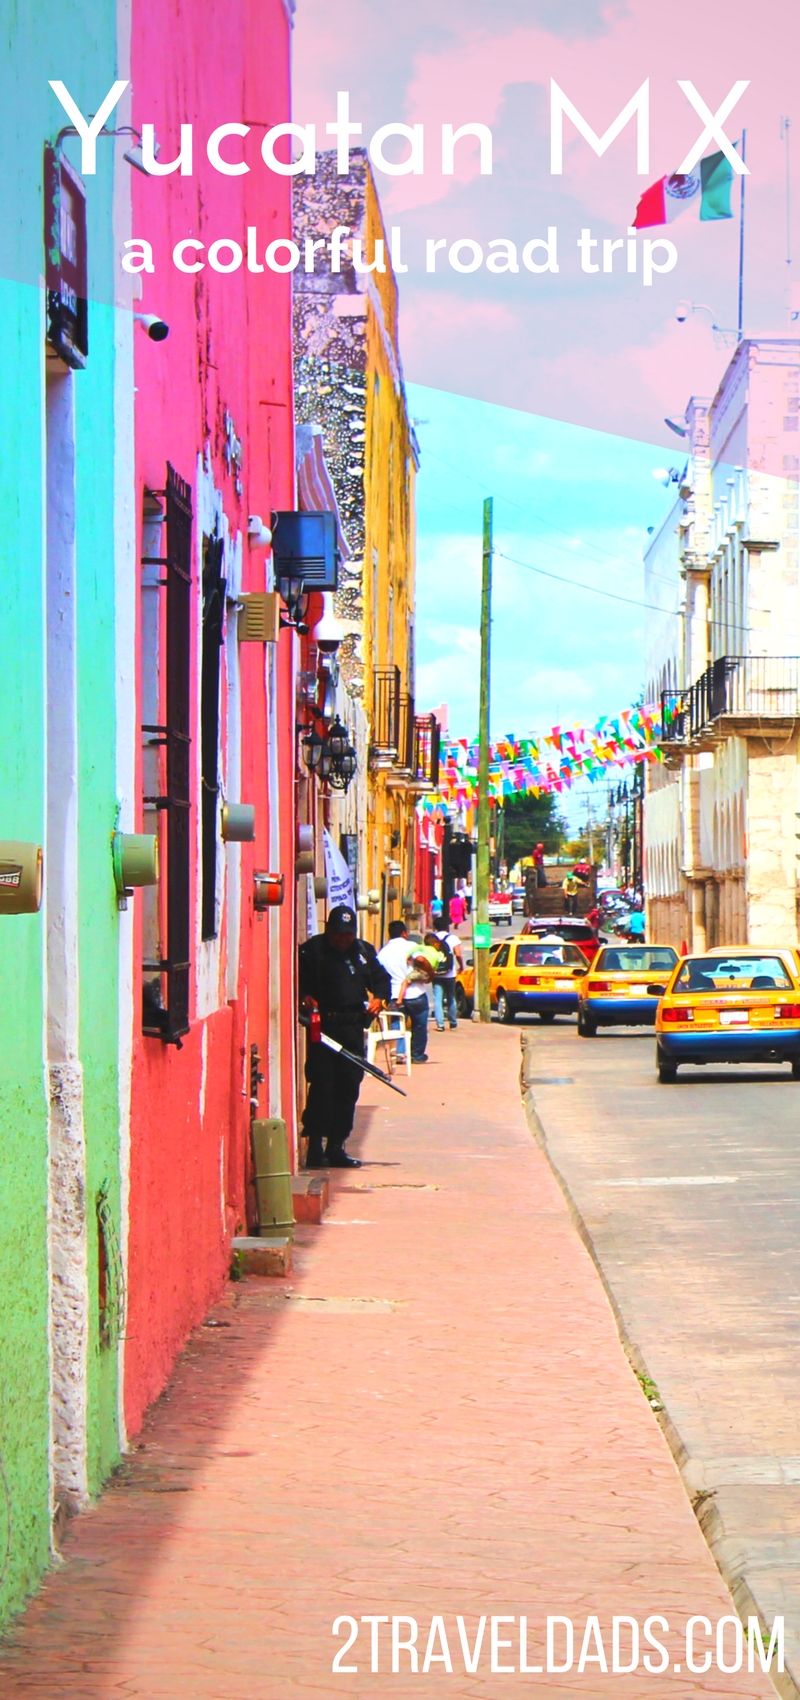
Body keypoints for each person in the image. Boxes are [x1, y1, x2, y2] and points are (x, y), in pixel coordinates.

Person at [298, 905, 390, 1169]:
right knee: (322, 1087)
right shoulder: (311, 951)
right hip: (324, 1029)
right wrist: (304, 995)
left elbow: (381, 981)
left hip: (352, 1029)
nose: (342, 939)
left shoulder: (363, 952)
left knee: (348, 1088)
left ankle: (337, 1146)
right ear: (328, 931)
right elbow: (298, 982)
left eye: (347, 935)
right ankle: (315, 1144)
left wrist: (380, 1000)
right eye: (338, 934)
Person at [378, 920, 436, 1063]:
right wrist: (430, 972)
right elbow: (421, 959)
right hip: (415, 992)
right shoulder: (410, 946)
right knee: (420, 1024)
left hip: (394, 994)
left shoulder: (383, 953)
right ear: (404, 933)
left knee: (397, 1024)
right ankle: (417, 1055)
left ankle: (400, 1053)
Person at [432, 925, 463, 1031]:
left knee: (437, 999)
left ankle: (440, 1024)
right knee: (451, 997)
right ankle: (453, 1022)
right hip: (450, 973)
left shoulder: (432, 938)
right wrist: (461, 966)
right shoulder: (453, 938)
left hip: (436, 973)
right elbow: (458, 954)